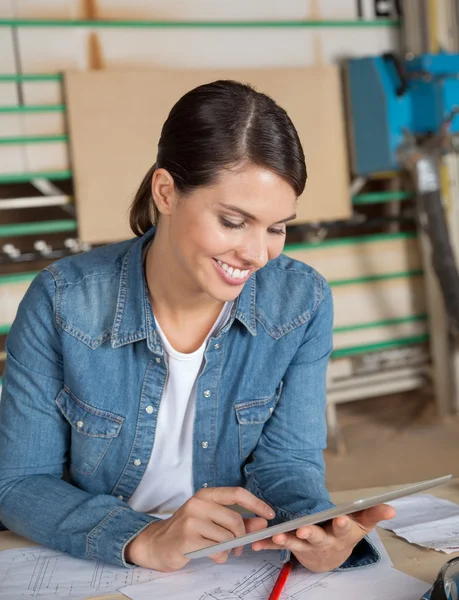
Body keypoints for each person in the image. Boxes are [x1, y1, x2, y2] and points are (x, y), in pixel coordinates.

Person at [0, 79, 395, 573]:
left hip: (225, 565)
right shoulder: (63, 302)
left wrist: (315, 530)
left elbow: (287, 465)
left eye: (276, 228)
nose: (256, 254)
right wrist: (140, 536)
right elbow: (18, 483)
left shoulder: (302, 302)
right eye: (233, 221)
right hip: (97, 562)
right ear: (165, 192)